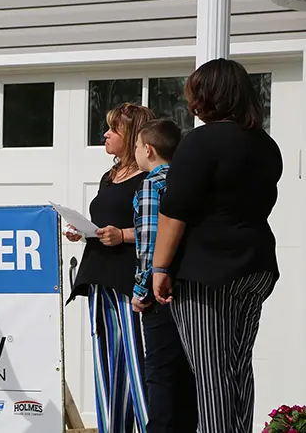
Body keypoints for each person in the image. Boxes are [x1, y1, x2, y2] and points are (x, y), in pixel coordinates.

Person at [151, 58, 283, 433]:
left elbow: (175, 210)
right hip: (255, 266)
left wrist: (159, 268)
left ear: (208, 95)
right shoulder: (265, 145)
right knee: (238, 369)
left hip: (208, 272)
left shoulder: (202, 141)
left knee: (212, 376)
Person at [64, 102, 153, 433]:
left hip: (131, 282)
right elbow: (105, 224)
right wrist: (85, 232)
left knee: (136, 364)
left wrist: (123, 235)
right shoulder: (110, 176)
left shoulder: (149, 178)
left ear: (130, 135)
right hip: (100, 277)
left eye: (113, 129)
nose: (106, 134)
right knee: (106, 365)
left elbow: (157, 227)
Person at [130, 118, 197, 433]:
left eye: (137, 147)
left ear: (149, 149)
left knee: (160, 372)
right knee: (187, 374)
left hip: (160, 293)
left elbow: (150, 240)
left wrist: (141, 288)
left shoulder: (152, 184)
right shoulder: (190, 180)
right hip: (191, 289)